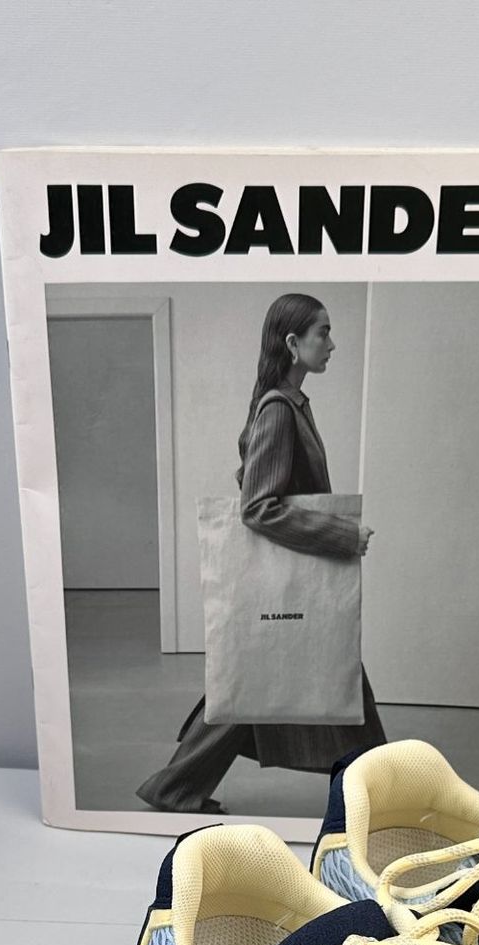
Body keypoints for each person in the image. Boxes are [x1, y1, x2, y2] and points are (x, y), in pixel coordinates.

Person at [137, 292, 386, 813]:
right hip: (301, 575)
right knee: (292, 680)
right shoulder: (279, 409)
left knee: (257, 682)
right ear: (293, 343)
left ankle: (175, 787)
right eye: (323, 332)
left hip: (295, 579)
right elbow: (257, 508)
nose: (332, 344)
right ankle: (379, 794)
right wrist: (341, 535)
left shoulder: (287, 404)